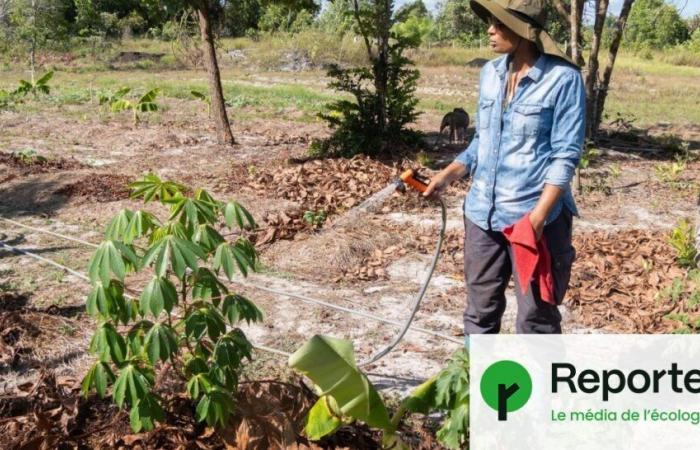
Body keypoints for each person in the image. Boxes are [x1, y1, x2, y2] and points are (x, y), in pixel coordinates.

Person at [423, 0, 585, 337]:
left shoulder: (563, 79)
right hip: (482, 214)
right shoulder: (490, 73)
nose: (490, 30)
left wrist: (536, 220)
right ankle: (484, 388)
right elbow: (484, 140)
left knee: (535, 320)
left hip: (534, 217)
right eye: (491, 22)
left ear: (524, 31)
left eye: (499, 23)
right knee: (480, 314)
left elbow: (565, 156)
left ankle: (541, 390)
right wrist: (449, 174)